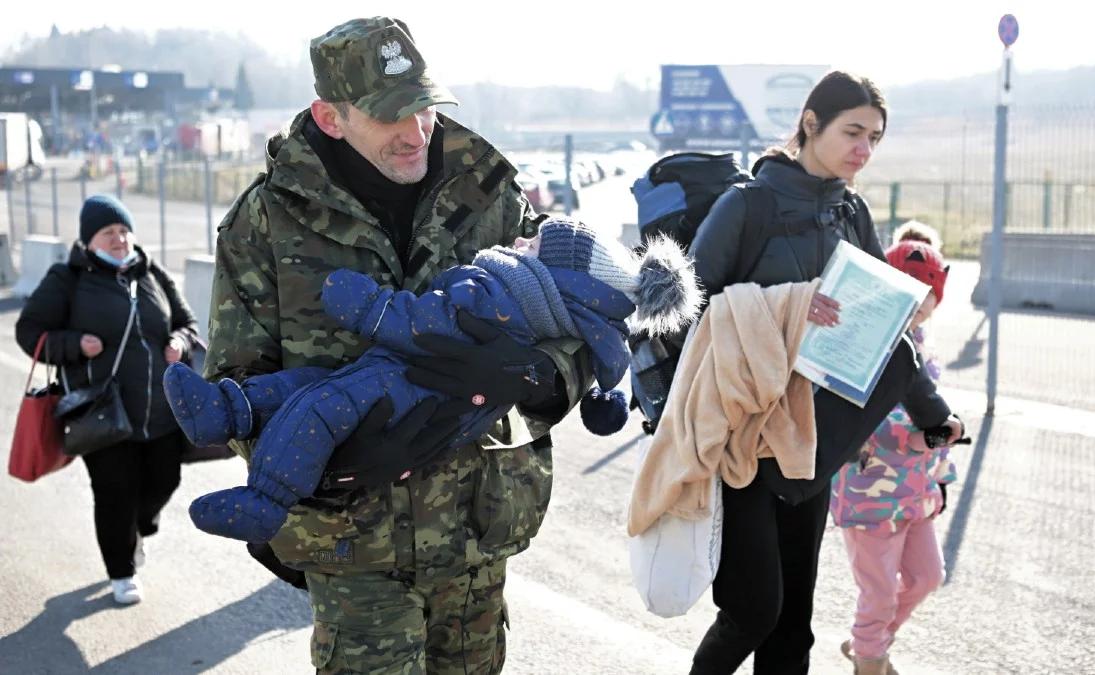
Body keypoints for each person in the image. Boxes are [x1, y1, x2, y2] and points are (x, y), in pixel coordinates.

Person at [203, 17, 595, 673]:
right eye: (391, 116)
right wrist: (334, 459)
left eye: (423, 107)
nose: (416, 132)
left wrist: (540, 378)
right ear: (331, 117)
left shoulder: (487, 192)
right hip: (353, 541)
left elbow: (574, 318)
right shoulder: (264, 222)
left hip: (477, 531)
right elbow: (237, 382)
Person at [169, 220, 698, 543]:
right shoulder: (539, 297)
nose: (520, 237)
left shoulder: (500, 295)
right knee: (307, 384)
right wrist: (605, 397)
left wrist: (369, 309)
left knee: (318, 405)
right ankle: (225, 409)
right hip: (385, 390)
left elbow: (423, 325)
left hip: (405, 397)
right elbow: (609, 368)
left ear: (553, 275)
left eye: (533, 242)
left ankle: (265, 500)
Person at [684, 71, 964, 674]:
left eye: (875, 138)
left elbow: (881, 323)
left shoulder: (850, 211)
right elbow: (689, 307)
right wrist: (784, 307)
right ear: (811, 124)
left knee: (794, 628)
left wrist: (933, 414)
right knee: (752, 610)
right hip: (744, 434)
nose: (864, 149)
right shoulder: (746, 206)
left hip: (815, 435)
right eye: (853, 131)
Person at [15, 194, 199, 605]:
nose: (119, 239)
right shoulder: (68, 279)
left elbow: (188, 322)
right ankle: (121, 572)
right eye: (108, 233)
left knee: (165, 481)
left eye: (123, 231)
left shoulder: (153, 274)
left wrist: (179, 340)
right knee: (114, 492)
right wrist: (76, 344)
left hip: (160, 409)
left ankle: (138, 530)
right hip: (102, 412)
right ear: (89, 240)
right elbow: (30, 332)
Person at [831, 232, 957, 675]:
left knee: (927, 577)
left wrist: (942, 465)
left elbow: (933, 411)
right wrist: (934, 435)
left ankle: (869, 640)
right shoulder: (864, 344)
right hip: (870, 493)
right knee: (879, 591)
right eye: (910, 296)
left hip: (915, 492)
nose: (918, 308)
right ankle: (870, 657)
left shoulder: (922, 345)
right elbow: (873, 423)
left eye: (927, 300)